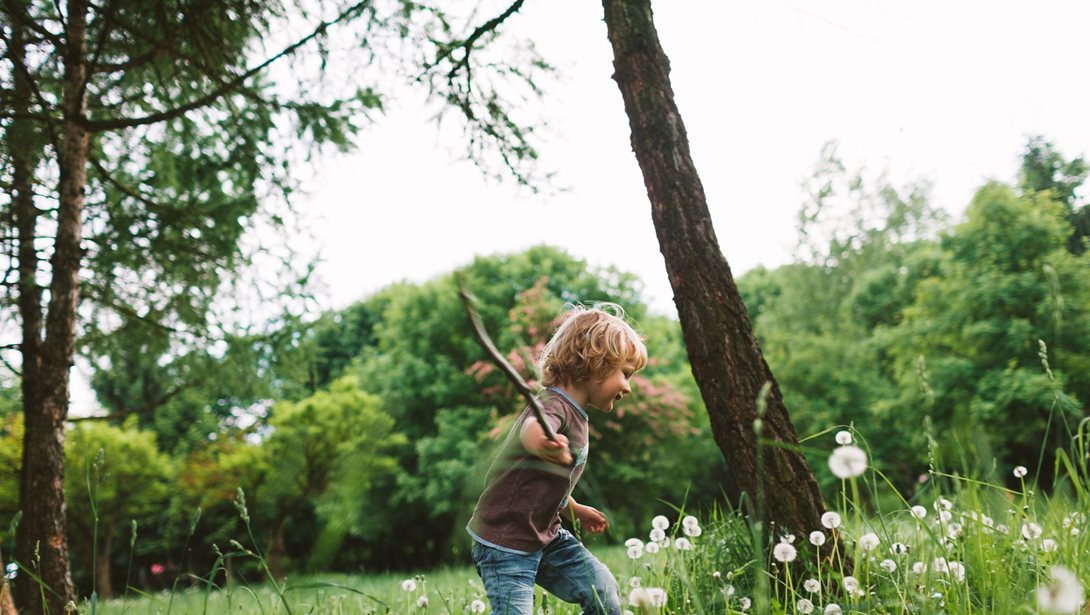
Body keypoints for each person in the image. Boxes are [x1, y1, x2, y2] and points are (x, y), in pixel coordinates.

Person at [466, 303, 647, 615]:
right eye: (625, 374)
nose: (627, 387)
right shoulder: (552, 405)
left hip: (546, 537)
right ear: (596, 363)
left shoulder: (578, 416)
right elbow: (531, 428)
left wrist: (574, 509)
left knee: (603, 590)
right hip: (504, 543)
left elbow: (548, 484)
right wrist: (542, 444)